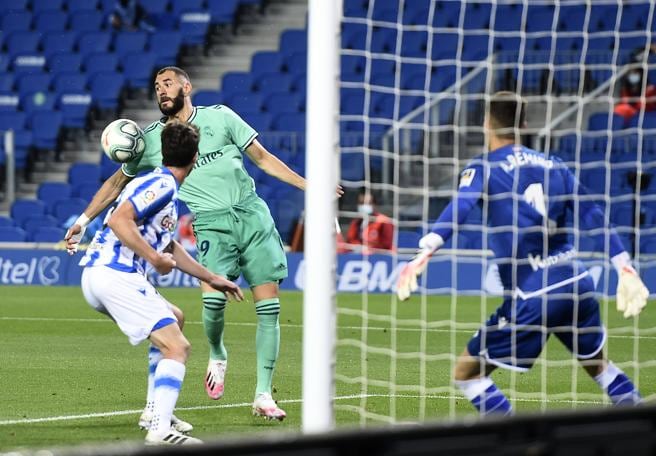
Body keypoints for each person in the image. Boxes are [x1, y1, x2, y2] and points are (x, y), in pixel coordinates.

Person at [65, 66, 326, 421]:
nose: (161, 90)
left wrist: (311, 187)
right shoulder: (152, 141)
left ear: (187, 86)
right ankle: (218, 352)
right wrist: (82, 221)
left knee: (269, 308)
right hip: (211, 226)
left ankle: (263, 393)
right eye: (156, 86)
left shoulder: (221, 117)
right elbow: (115, 184)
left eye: (167, 83)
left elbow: (262, 159)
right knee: (214, 305)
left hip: (253, 216)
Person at [397, 91, 649, 415]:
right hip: (577, 282)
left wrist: (425, 250)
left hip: (534, 292)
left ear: (487, 123)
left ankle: (520, 443)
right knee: (600, 368)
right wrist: (624, 267)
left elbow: (460, 207)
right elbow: (593, 216)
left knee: (467, 374)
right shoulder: (555, 165)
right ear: (525, 124)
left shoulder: (485, 167)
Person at [79, 120, 244, 445]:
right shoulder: (163, 185)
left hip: (102, 277)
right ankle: (159, 430)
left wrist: (212, 278)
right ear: (195, 157)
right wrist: (152, 259)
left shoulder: (159, 183)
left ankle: (155, 411)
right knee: (177, 346)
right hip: (114, 275)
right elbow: (118, 220)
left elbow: (168, 245)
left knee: (176, 319)